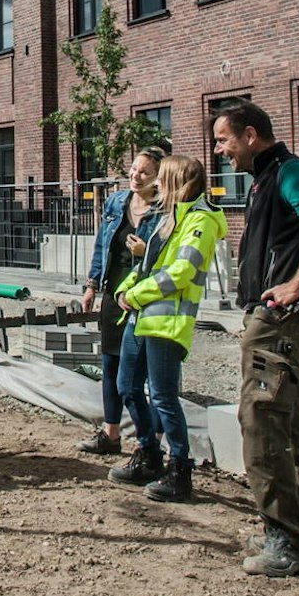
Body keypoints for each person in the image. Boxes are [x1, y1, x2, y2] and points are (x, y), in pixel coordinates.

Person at [212, 98, 299, 577]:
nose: (219, 150)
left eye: (224, 139)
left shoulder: (289, 172)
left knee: (261, 423)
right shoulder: (264, 181)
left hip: (280, 321)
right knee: (291, 428)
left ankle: (284, 541)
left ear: (251, 135)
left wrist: (296, 284)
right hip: (278, 318)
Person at [108, 154, 224, 503]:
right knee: (126, 386)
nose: (156, 184)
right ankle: (148, 454)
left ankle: (180, 468)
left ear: (179, 183)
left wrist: (136, 294)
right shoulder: (169, 218)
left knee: (163, 396)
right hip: (140, 318)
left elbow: (179, 273)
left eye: (163, 179)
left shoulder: (199, 222)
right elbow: (149, 263)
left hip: (166, 322)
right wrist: (123, 290)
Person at [77, 147, 166, 457]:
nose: (135, 175)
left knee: (149, 373)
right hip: (115, 294)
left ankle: (153, 440)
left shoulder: (166, 211)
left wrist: (147, 253)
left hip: (148, 296)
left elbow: (173, 258)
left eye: (143, 171)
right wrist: (91, 285)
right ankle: (110, 434)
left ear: (158, 178)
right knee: (111, 365)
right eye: (133, 169)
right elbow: (102, 245)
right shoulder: (117, 202)